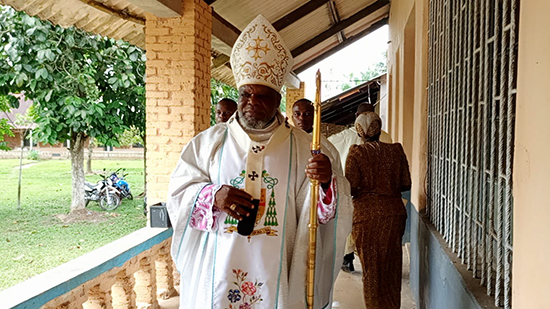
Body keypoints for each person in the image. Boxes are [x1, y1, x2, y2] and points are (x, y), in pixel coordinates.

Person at [166, 15, 352, 309]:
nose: (252, 101)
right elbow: (177, 194)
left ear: (278, 99)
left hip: (280, 268)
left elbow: (322, 216)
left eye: (262, 96)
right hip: (217, 268)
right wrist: (212, 196)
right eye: (245, 94)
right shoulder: (208, 143)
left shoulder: (307, 149)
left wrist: (327, 182)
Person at [345, 112, 411, 308]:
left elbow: (351, 186)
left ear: (358, 131)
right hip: (393, 214)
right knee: (392, 267)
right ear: (379, 129)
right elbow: (406, 183)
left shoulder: (356, 152)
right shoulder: (396, 150)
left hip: (366, 217)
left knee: (371, 271)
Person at [328, 103, 392, 272]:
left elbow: (328, 150)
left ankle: (348, 258)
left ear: (356, 115)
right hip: (379, 195)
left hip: (352, 190)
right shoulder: (385, 137)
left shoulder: (343, 137)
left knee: (349, 225)